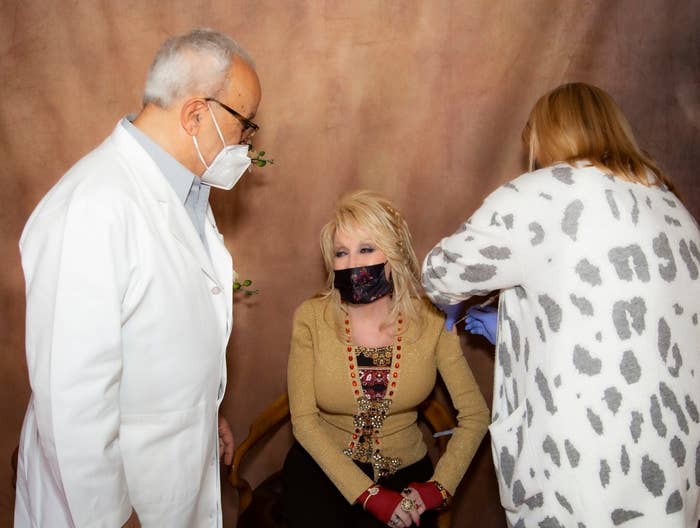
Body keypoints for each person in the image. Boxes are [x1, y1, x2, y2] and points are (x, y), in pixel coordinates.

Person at [422, 82, 700, 527]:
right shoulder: (674, 209)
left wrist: (492, 300)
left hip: (581, 468)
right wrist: (517, 315)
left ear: (543, 135)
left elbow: (440, 273)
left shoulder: (542, 193)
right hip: (669, 471)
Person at [14, 28, 262, 527]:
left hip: (172, 482)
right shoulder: (92, 207)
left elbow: (161, 335)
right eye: (245, 124)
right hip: (111, 507)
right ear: (196, 113)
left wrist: (203, 414)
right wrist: (114, 520)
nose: (247, 142)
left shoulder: (184, 195)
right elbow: (71, 407)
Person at [283, 190, 489, 528]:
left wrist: (439, 487)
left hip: (406, 481)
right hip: (324, 474)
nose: (352, 263)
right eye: (341, 253)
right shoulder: (311, 317)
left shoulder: (433, 320)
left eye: (366, 249)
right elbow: (303, 421)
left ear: (393, 256)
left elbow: (476, 415)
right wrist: (368, 494)